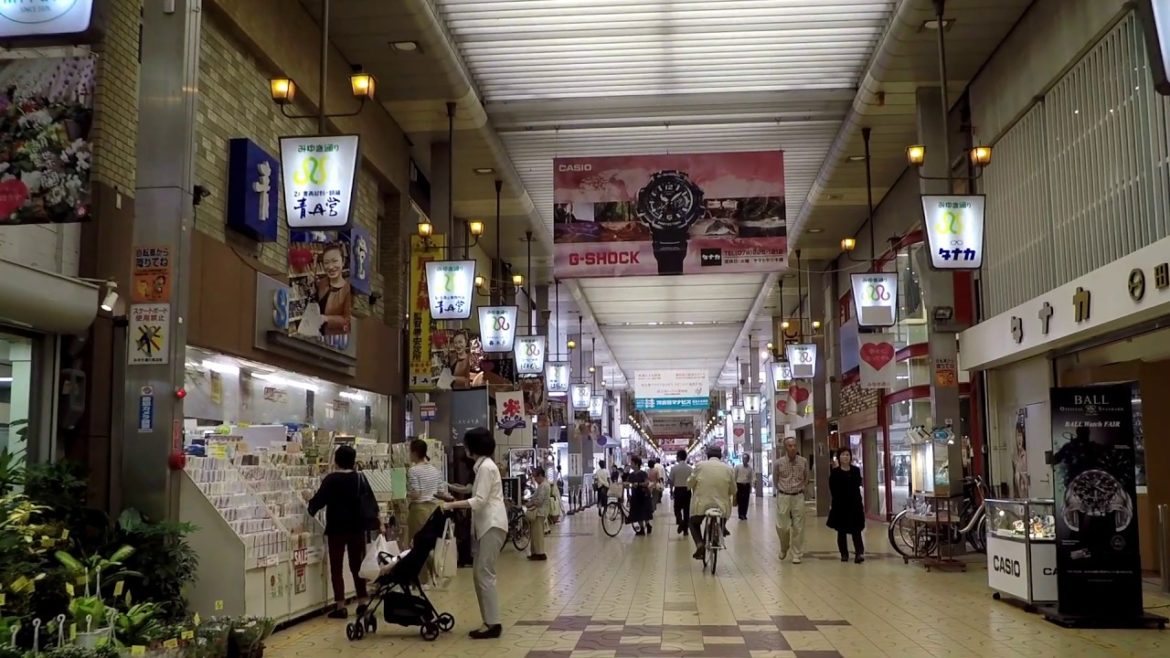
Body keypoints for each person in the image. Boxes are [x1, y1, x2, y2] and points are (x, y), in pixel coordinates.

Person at [440, 428, 508, 639]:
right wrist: (449, 490)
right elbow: (473, 491)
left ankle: (493, 623)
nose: (464, 448)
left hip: (491, 525)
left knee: (484, 573)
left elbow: (479, 500)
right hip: (487, 526)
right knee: (480, 574)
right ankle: (489, 621)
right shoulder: (484, 467)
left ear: (474, 447)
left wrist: (450, 505)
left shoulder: (486, 468)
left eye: (466, 444)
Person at [306, 445, 370, 618]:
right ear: (353, 461)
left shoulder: (331, 479)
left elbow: (318, 502)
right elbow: (368, 502)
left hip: (336, 528)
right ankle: (362, 602)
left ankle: (340, 606)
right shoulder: (360, 478)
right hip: (357, 528)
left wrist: (310, 507)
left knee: (336, 567)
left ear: (336, 460)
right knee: (357, 566)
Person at [406, 439, 451, 587]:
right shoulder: (435, 470)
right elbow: (440, 492)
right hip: (433, 510)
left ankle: (421, 579)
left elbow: (416, 494)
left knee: (417, 545)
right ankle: (433, 576)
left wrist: (405, 494)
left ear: (414, 453)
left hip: (419, 510)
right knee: (430, 544)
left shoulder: (413, 471)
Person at [687, 446, 737, 560]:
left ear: (707, 456)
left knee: (693, 522)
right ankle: (720, 529)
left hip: (701, 504)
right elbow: (733, 489)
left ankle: (700, 544)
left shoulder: (700, 466)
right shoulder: (728, 469)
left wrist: (691, 486)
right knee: (723, 516)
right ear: (721, 456)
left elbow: (690, 482)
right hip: (721, 505)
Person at [773, 436, 810, 564]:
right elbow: (775, 480)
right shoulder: (778, 463)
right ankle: (784, 547)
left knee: (799, 526)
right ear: (785, 448)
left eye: (794, 445)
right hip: (783, 496)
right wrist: (781, 490)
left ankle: (796, 553)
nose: (793, 448)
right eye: (790, 446)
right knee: (782, 526)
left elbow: (806, 477)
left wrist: (802, 488)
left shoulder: (803, 461)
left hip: (798, 496)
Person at [827, 447, 866, 563]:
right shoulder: (835, 472)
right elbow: (833, 489)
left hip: (854, 504)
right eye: (843, 455)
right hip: (840, 505)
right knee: (841, 531)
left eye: (847, 455)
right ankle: (844, 553)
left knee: (856, 530)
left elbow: (858, 484)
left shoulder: (855, 470)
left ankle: (859, 553)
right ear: (839, 457)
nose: (845, 457)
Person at [315, 244, 352, 335]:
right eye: (326, 262)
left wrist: (327, 319)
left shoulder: (348, 290)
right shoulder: (322, 283)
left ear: (343, 262)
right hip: (314, 333)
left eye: (335, 261)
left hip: (332, 337)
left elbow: (347, 321)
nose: (331, 267)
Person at [525, 467, 550, 560]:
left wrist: (530, 503)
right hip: (540, 513)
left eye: (535, 476)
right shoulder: (543, 485)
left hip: (539, 513)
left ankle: (539, 553)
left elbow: (539, 501)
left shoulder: (543, 486)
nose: (534, 479)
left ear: (540, 475)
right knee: (535, 534)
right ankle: (535, 552)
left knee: (537, 534)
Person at [625, 455, 654, 535]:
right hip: (635, 496)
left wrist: (638, 484)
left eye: (632, 463)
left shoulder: (643, 473)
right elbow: (627, 483)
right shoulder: (631, 475)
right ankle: (642, 528)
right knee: (637, 513)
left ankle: (647, 525)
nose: (631, 464)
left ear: (637, 464)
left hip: (643, 495)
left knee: (644, 512)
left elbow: (647, 483)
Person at [669, 450, 693, 535]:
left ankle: (681, 522)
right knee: (686, 510)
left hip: (678, 490)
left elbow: (671, 481)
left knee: (677, 509)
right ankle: (685, 530)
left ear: (678, 457)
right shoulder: (690, 468)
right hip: (687, 491)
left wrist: (671, 490)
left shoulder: (674, 468)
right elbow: (692, 480)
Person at [734, 455, 754, 520]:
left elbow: (752, 477)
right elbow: (734, 476)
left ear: (748, 460)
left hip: (746, 486)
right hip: (739, 485)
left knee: (746, 500)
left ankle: (744, 514)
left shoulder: (750, 469)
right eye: (743, 458)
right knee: (740, 500)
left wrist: (752, 484)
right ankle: (740, 514)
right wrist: (734, 486)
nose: (744, 460)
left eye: (746, 459)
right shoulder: (738, 467)